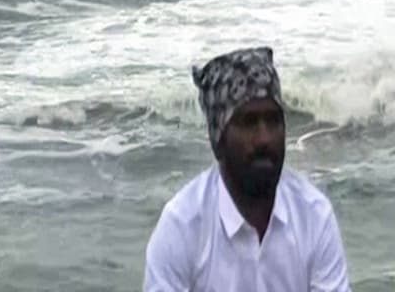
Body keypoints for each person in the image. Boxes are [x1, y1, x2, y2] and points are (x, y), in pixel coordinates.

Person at [142, 46, 351, 291]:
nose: (264, 138)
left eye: (273, 120)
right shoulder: (182, 227)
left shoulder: (314, 216)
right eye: (248, 122)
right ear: (218, 139)